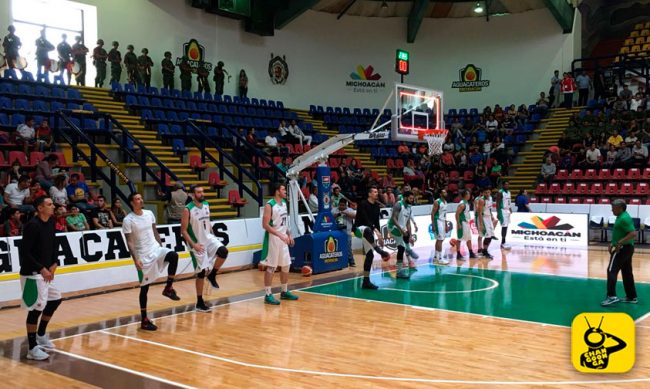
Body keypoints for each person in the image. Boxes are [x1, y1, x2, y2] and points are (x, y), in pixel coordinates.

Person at [123, 193, 180, 330]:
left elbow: (155, 232)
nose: (141, 200)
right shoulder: (128, 220)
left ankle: (168, 288)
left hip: (155, 249)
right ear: (131, 203)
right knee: (145, 288)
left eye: (141, 198)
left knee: (173, 255)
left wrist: (161, 247)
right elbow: (129, 242)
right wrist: (135, 259)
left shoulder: (149, 213)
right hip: (143, 256)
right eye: (137, 199)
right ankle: (144, 319)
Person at [19, 196, 61, 361]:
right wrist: (41, 268)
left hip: (46, 272)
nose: (53, 206)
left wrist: (54, 262)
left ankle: (41, 334)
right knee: (35, 310)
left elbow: (54, 244)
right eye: (49, 204)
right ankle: (32, 348)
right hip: (32, 274)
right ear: (40, 208)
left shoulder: (50, 222)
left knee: (55, 299)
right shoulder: (32, 226)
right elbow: (25, 253)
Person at [181, 185, 229, 312]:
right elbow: (183, 231)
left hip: (208, 238)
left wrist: (212, 234)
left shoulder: (207, 204)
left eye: (202, 191)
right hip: (197, 242)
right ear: (192, 195)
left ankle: (212, 274)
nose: (202, 193)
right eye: (198, 192)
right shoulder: (188, 209)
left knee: (223, 251)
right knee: (201, 273)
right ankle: (199, 302)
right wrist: (193, 245)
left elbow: (207, 222)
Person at [259, 182, 299, 305]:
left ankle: (284, 291)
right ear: (277, 191)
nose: (285, 192)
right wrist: (280, 235)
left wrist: (288, 234)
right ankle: (267, 294)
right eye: (283, 189)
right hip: (273, 239)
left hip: (283, 239)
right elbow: (265, 225)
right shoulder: (269, 205)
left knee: (286, 265)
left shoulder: (284, 204)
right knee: (271, 266)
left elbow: (284, 223)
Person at [601, 199, 638, 306]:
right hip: (627, 248)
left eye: (613, 208)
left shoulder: (624, 218)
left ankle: (611, 296)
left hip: (621, 249)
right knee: (626, 272)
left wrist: (618, 243)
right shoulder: (621, 216)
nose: (611, 210)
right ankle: (632, 296)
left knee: (611, 270)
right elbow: (620, 233)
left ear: (620, 208)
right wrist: (612, 243)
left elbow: (633, 233)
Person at [353, 186, 390, 290]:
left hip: (368, 233)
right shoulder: (363, 204)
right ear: (369, 194)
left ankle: (366, 281)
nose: (376, 193)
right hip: (358, 230)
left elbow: (376, 222)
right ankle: (379, 250)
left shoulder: (377, 206)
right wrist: (376, 231)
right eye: (374, 192)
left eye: (377, 192)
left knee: (370, 256)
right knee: (368, 229)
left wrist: (380, 236)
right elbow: (365, 219)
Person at [387, 191, 418, 279]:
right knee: (401, 247)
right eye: (410, 198)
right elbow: (393, 219)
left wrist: (410, 236)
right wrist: (401, 230)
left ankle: (408, 250)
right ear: (405, 198)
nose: (412, 200)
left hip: (401, 227)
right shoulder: (398, 205)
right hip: (393, 227)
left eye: (413, 198)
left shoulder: (409, 207)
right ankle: (400, 271)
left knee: (403, 244)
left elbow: (408, 223)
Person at [332, 198, 356, 267]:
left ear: (346, 205)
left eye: (343, 205)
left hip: (347, 232)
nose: (341, 207)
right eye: (340, 205)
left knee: (348, 248)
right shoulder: (334, 209)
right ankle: (339, 262)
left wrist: (346, 213)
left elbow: (354, 216)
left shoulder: (350, 210)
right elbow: (330, 217)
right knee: (337, 248)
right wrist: (338, 214)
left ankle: (351, 262)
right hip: (336, 232)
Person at [455, 190, 477, 260]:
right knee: (460, 239)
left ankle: (471, 253)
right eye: (468, 194)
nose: (469, 195)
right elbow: (457, 214)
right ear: (465, 195)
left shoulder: (466, 203)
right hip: (462, 223)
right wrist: (458, 224)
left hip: (466, 223)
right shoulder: (462, 204)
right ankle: (458, 254)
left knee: (469, 238)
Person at [476, 187, 497, 260]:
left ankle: (485, 250)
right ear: (483, 193)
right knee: (487, 235)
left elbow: (489, 209)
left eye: (488, 192)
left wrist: (492, 216)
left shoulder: (490, 198)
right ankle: (484, 251)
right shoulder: (481, 200)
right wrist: (481, 224)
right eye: (486, 192)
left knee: (491, 236)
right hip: (483, 218)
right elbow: (479, 213)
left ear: (490, 192)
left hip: (488, 217)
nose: (487, 194)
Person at [430, 189, 449, 265]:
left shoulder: (445, 202)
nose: (446, 193)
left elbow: (444, 214)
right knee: (440, 239)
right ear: (440, 194)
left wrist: (446, 224)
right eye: (444, 192)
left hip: (443, 221)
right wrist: (433, 225)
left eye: (446, 192)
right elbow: (432, 214)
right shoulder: (437, 202)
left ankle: (435, 257)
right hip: (438, 221)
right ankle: (440, 258)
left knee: (439, 239)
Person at [496, 181, 512, 249]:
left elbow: (509, 202)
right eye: (505, 184)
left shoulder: (509, 192)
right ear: (503, 185)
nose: (507, 185)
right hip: (502, 211)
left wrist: (510, 208)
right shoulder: (500, 192)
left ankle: (504, 241)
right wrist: (498, 212)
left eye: (508, 184)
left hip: (507, 210)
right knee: (504, 227)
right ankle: (502, 243)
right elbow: (497, 203)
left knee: (506, 226)